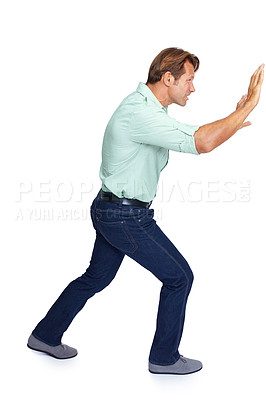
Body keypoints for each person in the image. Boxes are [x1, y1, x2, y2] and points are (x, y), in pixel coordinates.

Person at [27, 47, 264, 375]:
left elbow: (200, 136)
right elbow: (202, 142)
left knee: (96, 277)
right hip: (124, 217)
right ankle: (164, 358)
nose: (193, 88)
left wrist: (234, 121)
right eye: (189, 80)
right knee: (179, 277)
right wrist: (248, 107)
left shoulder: (148, 110)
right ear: (169, 78)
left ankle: (44, 335)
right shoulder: (140, 114)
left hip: (113, 210)